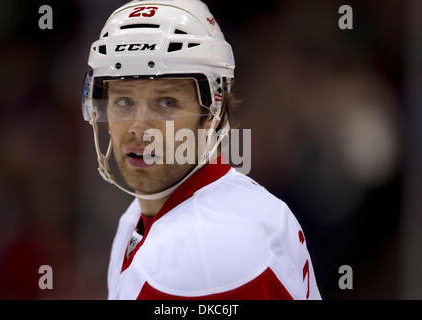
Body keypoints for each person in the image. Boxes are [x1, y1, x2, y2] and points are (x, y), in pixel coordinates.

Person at [81, 0, 321, 300]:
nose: (138, 128)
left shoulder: (205, 255)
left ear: (214, 110)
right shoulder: (144, 217)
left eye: (166, 102)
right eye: (124, 101)